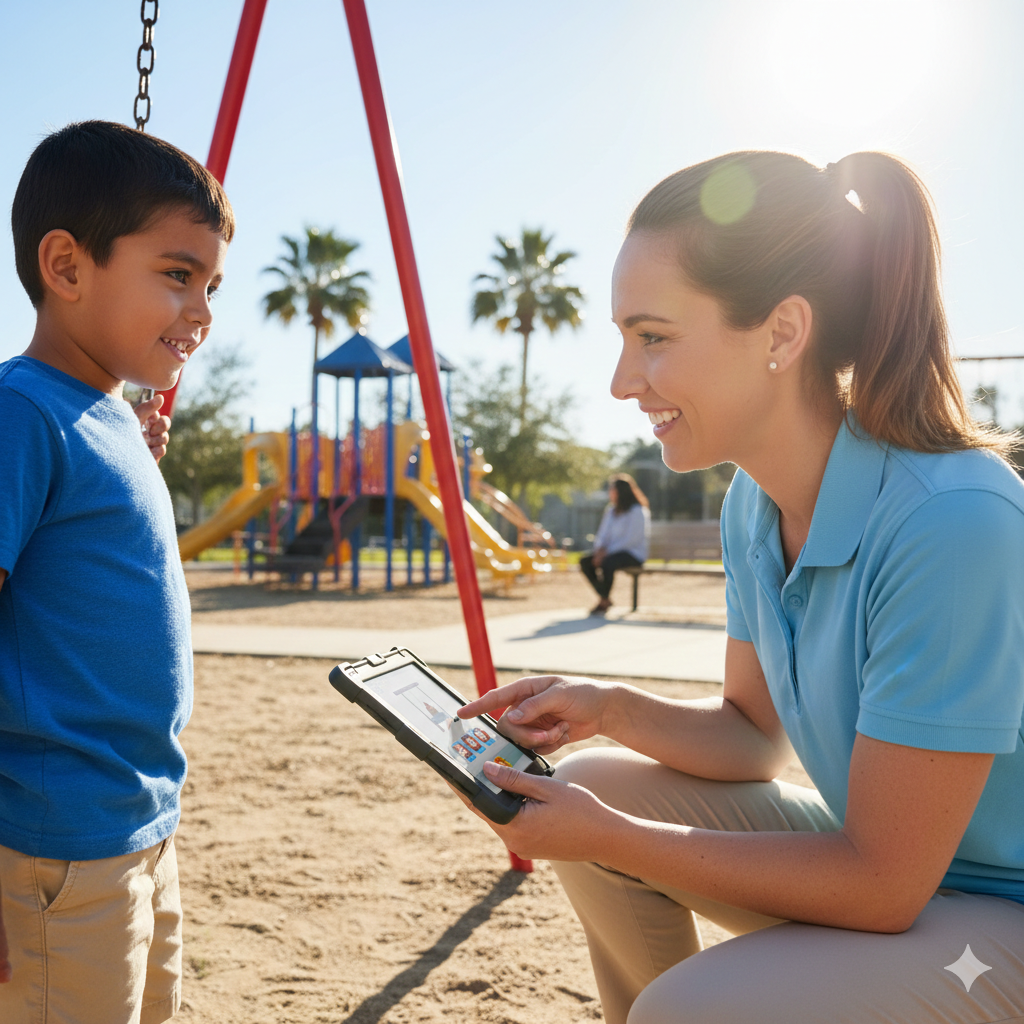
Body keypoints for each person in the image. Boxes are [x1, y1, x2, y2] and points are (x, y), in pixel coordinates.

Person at [455, 151, 1024, 1023]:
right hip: (906, 881)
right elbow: (755, 735)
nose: (620, 380)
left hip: (991, 912)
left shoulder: (954, 520)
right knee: (600, 779)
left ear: (782, 334)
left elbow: (883, 886)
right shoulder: (754, 505)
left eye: (653, 337)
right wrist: (606, 706)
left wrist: (612, 837)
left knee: (693, 1006)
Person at [0, 120, 234, 1024]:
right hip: (52, 851)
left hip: (136, 824)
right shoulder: (22, 413)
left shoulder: (105, 414)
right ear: (65, 267)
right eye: (177, 275)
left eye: (211, 284)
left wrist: (127, 453)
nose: (203, 309)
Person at [580, 474, 651, 614]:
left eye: (612, 490)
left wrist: (606, 552)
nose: (609, 493)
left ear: (621, 492)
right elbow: (602, 534)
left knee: (608, 563)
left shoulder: (637, 512)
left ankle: (603, 601)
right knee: (585, 561)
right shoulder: (611, 510)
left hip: (632, 554)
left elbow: (631, 540)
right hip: (610, 553)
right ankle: (605, 598)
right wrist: (599, 550)